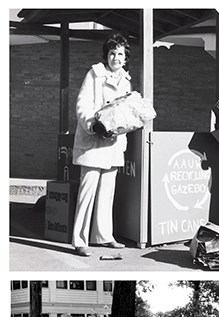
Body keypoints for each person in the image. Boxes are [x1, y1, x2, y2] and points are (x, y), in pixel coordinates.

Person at [72, 32, 132, 256]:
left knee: (107, 192)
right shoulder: (94, 74)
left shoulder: (126, 80)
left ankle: (105, 237)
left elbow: (125, 111)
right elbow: (83, 104)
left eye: (120, 54)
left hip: (113, 144)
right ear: (106, 55)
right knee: (87, 191)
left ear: (125, 59)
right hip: (92, 142)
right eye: (112, 53)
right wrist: (92, 125)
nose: (115, 58)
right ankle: (80, 240)